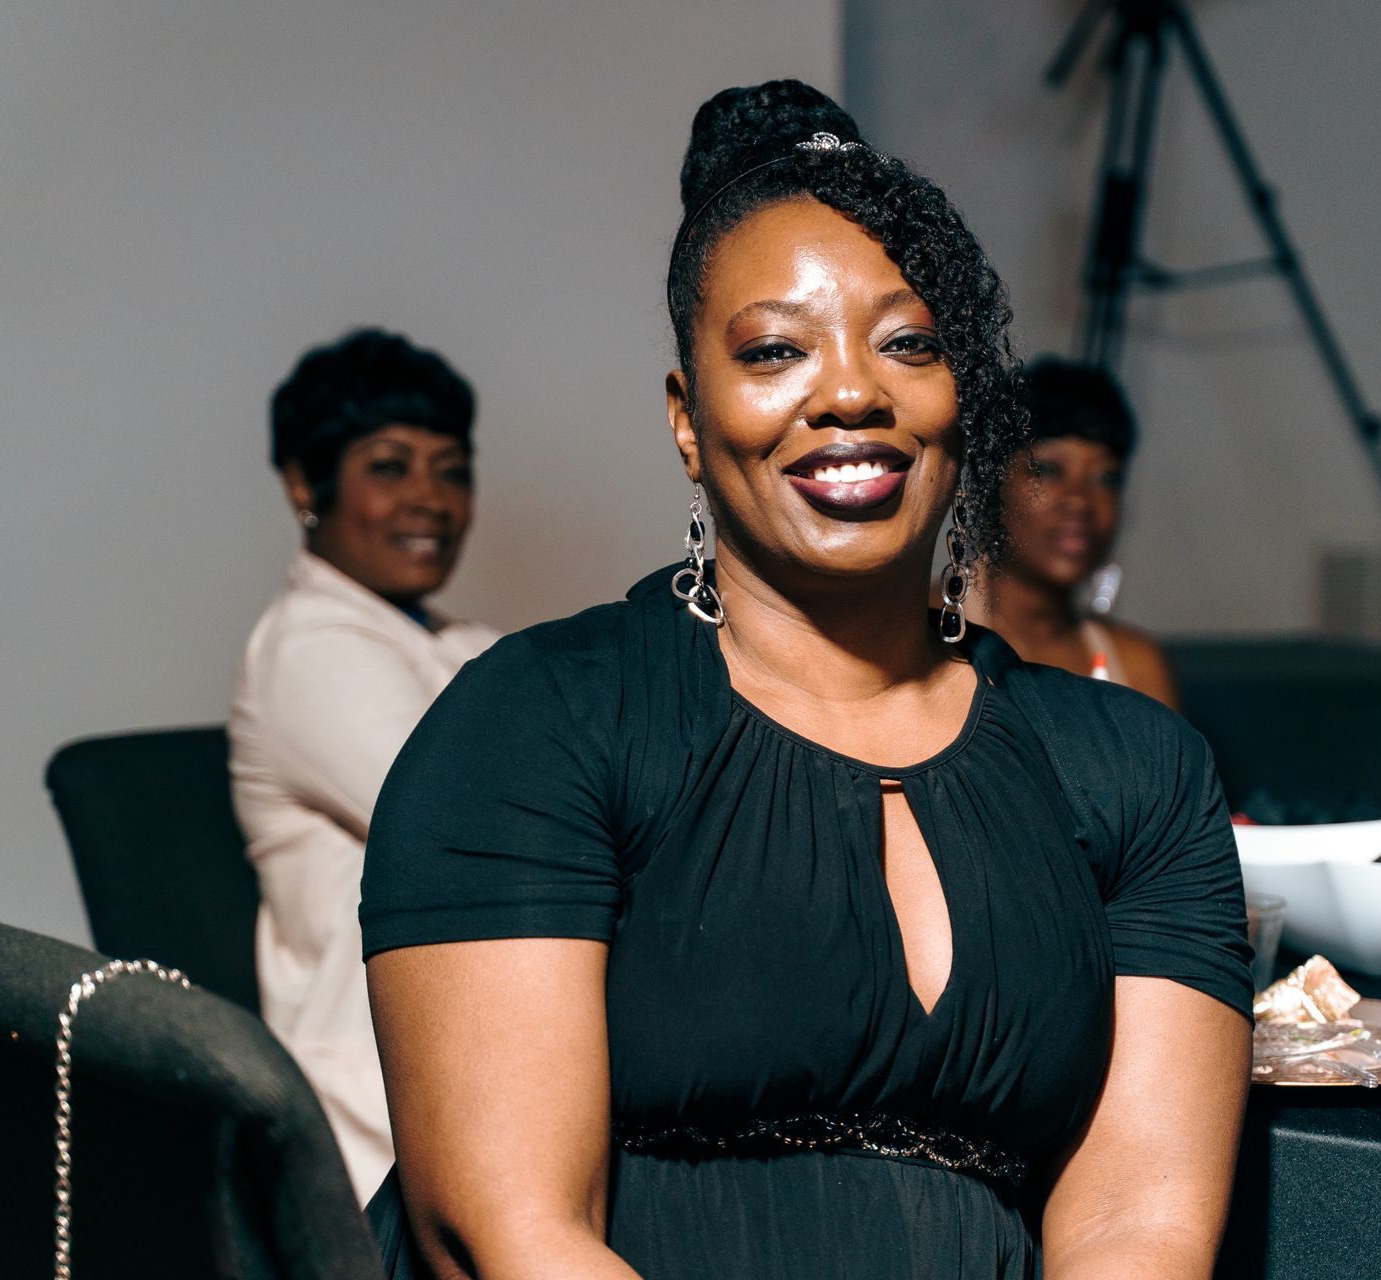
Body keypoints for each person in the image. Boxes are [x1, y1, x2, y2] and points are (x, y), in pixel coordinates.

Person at [360, 81, 1251, 1279]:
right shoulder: (542, 718)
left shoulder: (1133, 769)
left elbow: (1136, 1228)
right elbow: (509, 1235)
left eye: (908, 342)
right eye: (776, 349)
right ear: (689, 417)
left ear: (963, 396)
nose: (849, 392)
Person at [227, 327, 499, 1203]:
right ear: (307, 485)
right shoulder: (308, 647)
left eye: (452, 470)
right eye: (390, 467)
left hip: (478, 1076)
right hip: (377, 1124)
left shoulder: (463, 645)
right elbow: (485, 831)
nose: (431, 499)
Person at [965, 358, 1180, 707]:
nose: (1080, 500)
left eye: (1105, 478)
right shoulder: (924, 638)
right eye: (1049, 470)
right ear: (990, 483)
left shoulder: (1135, 667)